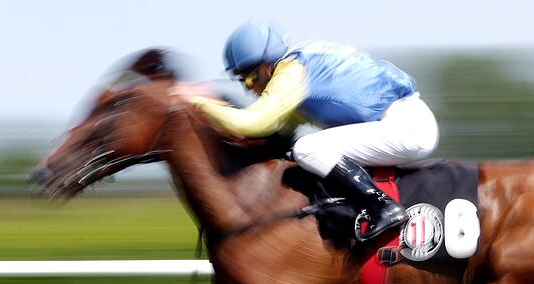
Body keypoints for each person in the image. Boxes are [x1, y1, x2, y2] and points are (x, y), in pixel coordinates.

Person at [180, 19, 439, 241]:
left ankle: (382, 206)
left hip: (407, 127)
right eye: (240, 80)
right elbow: (280, 132)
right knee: (302, 150)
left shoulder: (291, 72)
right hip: (403, 121)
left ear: (267, 66)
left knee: (308, 148)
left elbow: (253, 123)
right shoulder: (300, 67)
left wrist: (196, 103)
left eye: (248, 77)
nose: (247, 87)